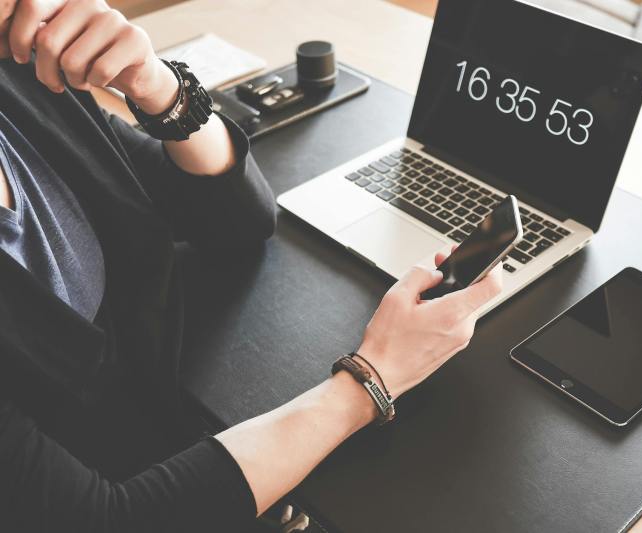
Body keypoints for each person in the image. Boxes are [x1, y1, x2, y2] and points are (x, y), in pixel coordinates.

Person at [0, 1, 503, 531]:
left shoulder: (22, 81)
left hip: (170, 426)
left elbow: (236, 220)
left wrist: (158, 86)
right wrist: (374, 378)